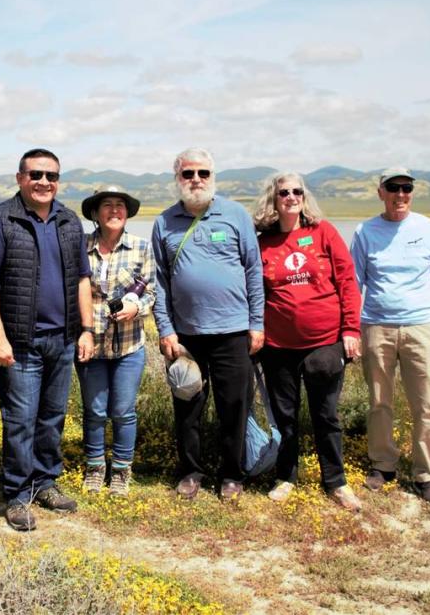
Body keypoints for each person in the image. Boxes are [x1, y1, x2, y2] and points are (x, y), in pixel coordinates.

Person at [0, 148, 94, 531]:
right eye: (36, 174)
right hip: (20, 341)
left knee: (52, 417)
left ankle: (45, 481)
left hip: (63, 339)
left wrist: (87, 329)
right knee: (20, 420)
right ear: (20, 178)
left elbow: (82, 279)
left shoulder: (69, 221)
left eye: (51, 175)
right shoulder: (1, 219)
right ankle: (18, 493)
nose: (44, 182)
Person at [151, 148, 264, 502]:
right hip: (186, 336)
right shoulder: (164, 222)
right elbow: (159, 282)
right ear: (177, 178)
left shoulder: (235, 215)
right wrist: (166, 329)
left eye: (202, 173)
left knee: (235, 407)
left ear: (213, 176)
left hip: (233, 331)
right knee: (188, 408)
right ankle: (191, 471)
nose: (195, 179)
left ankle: (232, 473)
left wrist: (257, 323)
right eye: (187, 174)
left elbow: (253, 271)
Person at [253, 172, 362, 511]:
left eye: (296, 191)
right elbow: (255, 291)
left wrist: (351, 330)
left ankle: (336, 481)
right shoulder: (263, 242)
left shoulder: (323, 232)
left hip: (324, 341)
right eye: (283, 192)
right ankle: (286, 477)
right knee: (284, 417)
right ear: (274, 198)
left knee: (325, 414)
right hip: (278, 346)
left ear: (304, 196)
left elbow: (347, 280)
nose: (290, 197)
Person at [350, 167, 430, 505]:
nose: (400, 194)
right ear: (380, 192)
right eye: (393, 188)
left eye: (406, 188)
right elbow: (354, 284)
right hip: (376, 327)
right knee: (379, 402)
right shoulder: (365, 231)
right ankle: (384, 464)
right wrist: (351, 328)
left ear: (412, 191)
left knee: (425, 404)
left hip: (421, 327)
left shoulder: (429, 229)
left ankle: (426, 474)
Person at [76, 185, 156, 496]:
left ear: (127, 212)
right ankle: (95, 466)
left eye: (119, 205)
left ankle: (121, 469)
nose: (114, 210)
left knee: (123, 411)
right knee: (94, 410)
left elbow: (151, 292)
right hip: (90, 344)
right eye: (106, 205)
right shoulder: (80, 247)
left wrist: (135, 307)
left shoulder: (141, 247)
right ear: (95, 214)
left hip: (128, 346)